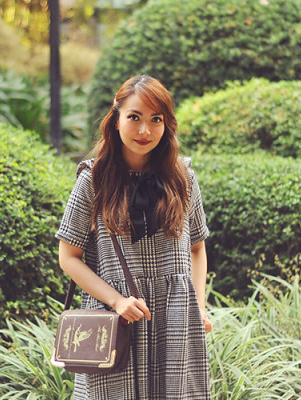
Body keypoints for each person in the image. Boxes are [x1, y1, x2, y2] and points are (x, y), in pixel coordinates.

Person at [56, 74, 212, 399]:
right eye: (134, 117)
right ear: (116, 120)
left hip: (175, 319)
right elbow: (68, 257)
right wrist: (116, 300)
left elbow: (197, 248)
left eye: (156, 119)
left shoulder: (183, 178)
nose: (145, 130)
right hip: (116, 319)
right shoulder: (93, 180)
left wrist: (198, 306)